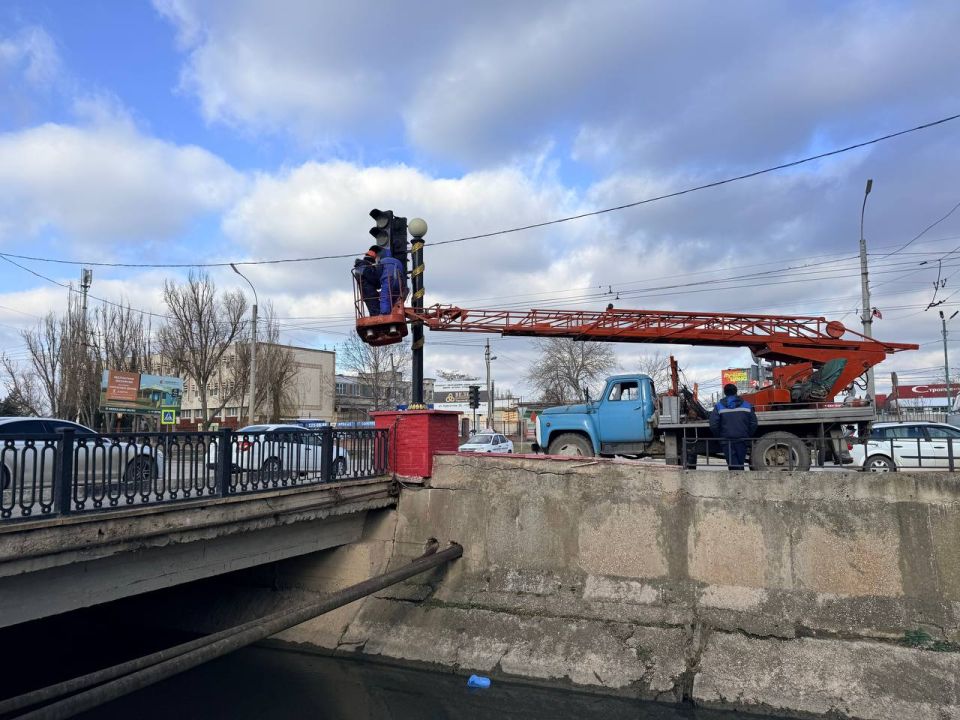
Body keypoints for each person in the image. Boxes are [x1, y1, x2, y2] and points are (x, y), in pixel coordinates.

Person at [709, 383, 758, 470]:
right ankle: (739, 481)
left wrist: (720, 437)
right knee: (740, 464)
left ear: (725, 393)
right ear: (736, 392)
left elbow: (713, 425)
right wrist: (747, 435)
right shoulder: (747, 405)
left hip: (726, 440)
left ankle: (736, 481)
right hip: (742, 439)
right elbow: (753, 423)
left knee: (733, 466)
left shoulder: (719, 406)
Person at [352, 247, 381, 316]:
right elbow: (373, 279)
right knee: (376, 314)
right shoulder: (363, 266)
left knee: (375, 313)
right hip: (370, 294)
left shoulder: (360, 266)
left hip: (368, 294)